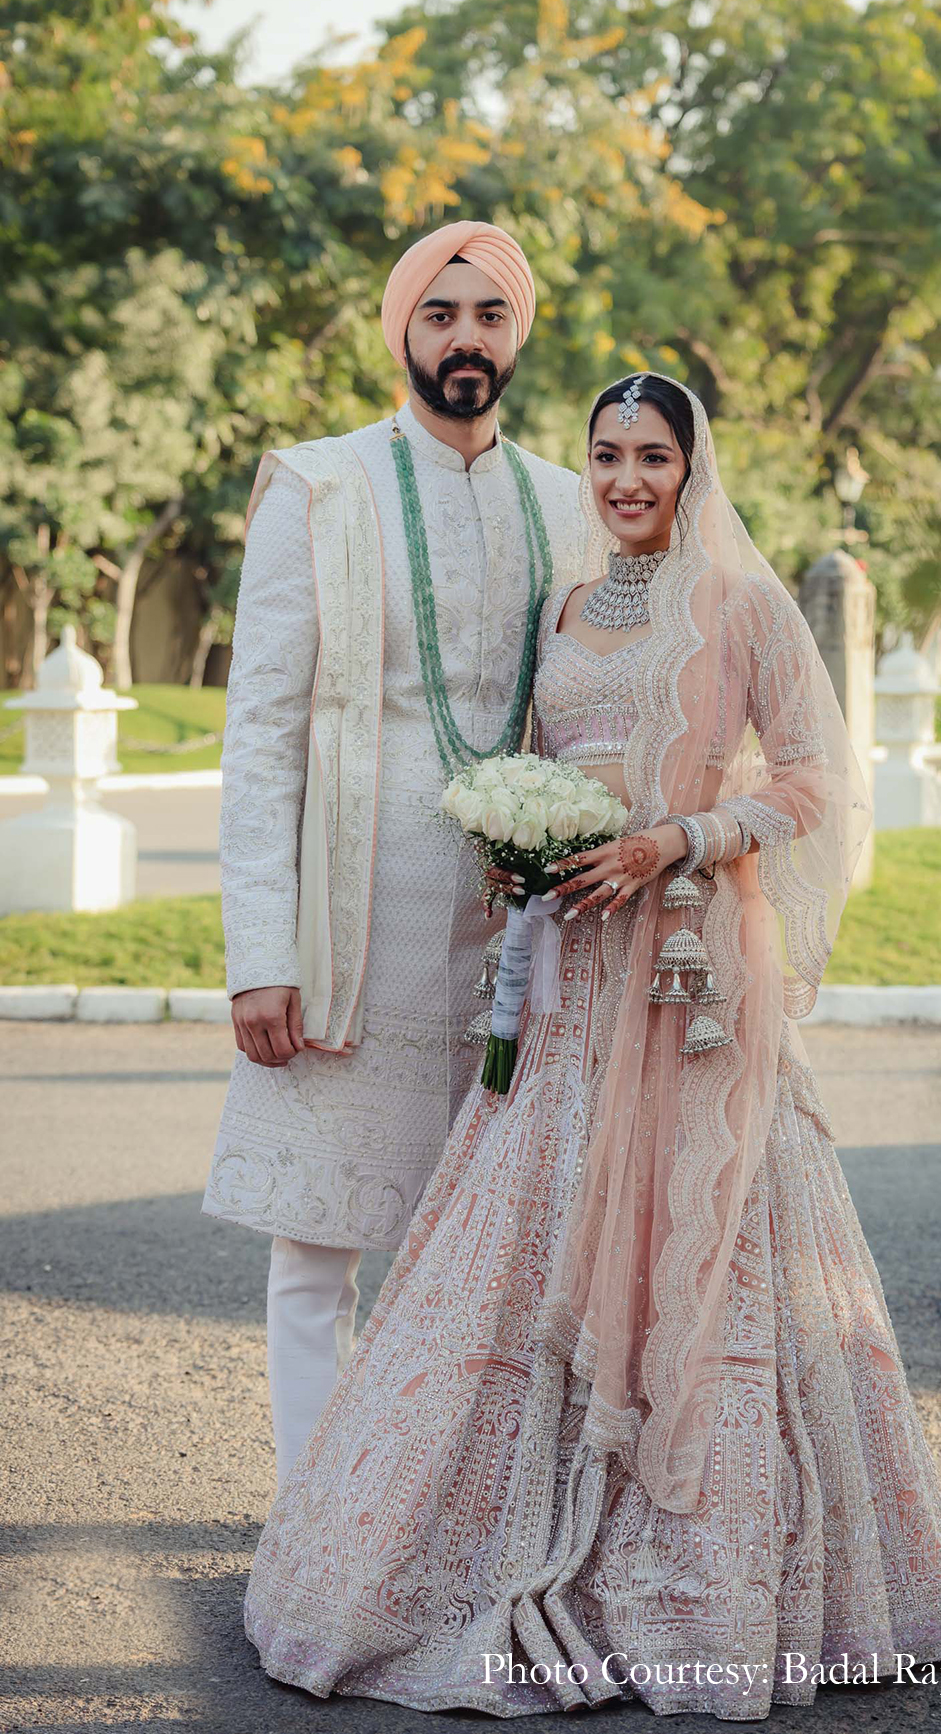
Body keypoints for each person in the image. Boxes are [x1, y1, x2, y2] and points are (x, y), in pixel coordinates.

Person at [240, 374, 941, 1717]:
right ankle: (482, 1561)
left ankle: (697, 1584)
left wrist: (678, 838)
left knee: (708, 1260)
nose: (627, 478)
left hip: (690, 981)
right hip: (568, 985)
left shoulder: (744, 607)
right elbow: (538, 757)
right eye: (606, 455)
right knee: (517, 1250)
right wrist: (514, 849)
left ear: (694, 468)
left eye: (652, 455)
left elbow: (815, 779)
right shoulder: (566, 609)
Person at [200, 221, 586, 1489]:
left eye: (487, 315)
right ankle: (318, 1518)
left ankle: (438, 1518)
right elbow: (259, 734)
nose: (464, 338)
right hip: (347, 924)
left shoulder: (564, 502)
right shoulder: (319, 486)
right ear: (402, 332)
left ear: (515, 334)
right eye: (440, 314)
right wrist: (261, 953)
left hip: (512, 936)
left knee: (488, 1247)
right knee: (318, 1249)